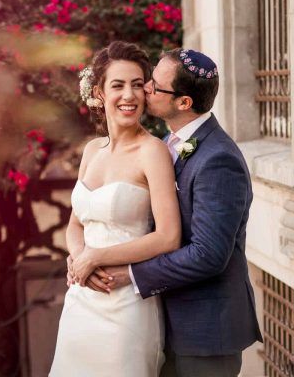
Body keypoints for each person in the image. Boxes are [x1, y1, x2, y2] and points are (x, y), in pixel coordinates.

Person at [85, 48, 263, 377]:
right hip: (164, 321)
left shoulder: (218, 159)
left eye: (154, 85)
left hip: (206, 332)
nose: (145, 89)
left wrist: (131, 275)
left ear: (183, 102)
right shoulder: (169, 141)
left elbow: (208, 255)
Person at [49, 41, 182, 377]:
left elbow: (168, 237)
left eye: (137, 85)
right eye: (118, 85)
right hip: (82, 299)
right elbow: (75, 225)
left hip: (126, 304)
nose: (129, 95)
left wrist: (96, 258)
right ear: (99, 92)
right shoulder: (92, 151)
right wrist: (80, 259)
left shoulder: (153, 152)